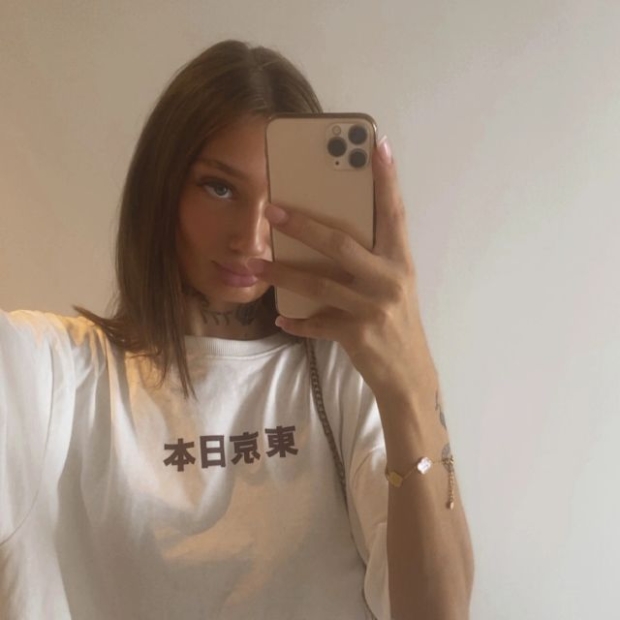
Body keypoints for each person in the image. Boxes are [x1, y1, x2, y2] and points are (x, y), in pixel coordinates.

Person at [0, 40, 474, 619]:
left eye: (279, 202)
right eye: (219, 188)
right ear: (162, 187)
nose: (250, 238)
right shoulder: (54, 376)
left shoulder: (345, 372)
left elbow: (438, 612)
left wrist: (411, 378)